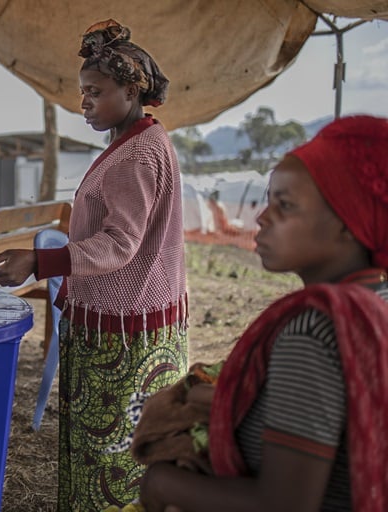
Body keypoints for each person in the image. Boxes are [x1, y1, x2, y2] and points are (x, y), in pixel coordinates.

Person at [138, 115, 388, 512]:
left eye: (285, 206)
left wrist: (161, 484)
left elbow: (285, 504)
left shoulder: (316, 331)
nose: (261, 218)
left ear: (349, 222)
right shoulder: (378, 299)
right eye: (268, 200)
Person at [0, 19, 188, 509]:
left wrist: (40, 259)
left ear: (131, 88)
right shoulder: (143, 140)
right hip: (141, 319)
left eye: (94, 93)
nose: (84, 104)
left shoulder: (133, 159)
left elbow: (120, 244)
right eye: (82, 94)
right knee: (118, 450)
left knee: (110, 457)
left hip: (122, 335)